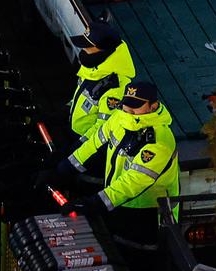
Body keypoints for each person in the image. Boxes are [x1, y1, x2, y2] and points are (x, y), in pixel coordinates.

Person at [65, 82, 179, 254]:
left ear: (153, 106)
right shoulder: (120, 118)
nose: (129, 112)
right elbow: (94, 144)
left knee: (139, 265)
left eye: (136, 107)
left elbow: (132, 183)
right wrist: (63, 168)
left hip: (147, 219)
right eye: (127, 106)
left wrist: (94, 203)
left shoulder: (159, 141)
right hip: (119, 207)